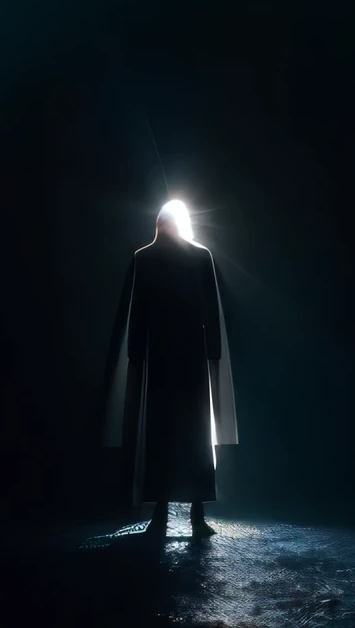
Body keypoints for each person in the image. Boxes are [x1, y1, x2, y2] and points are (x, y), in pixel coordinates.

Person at [103, 198, 238, 555]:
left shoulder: (146, 257)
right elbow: (207, 308)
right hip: (188, 356)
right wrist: (212, 351)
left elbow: (140, 310)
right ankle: (193, 516)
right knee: (190, 434)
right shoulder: (197, 256)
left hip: (164, 356)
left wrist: (136, 352)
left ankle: (163, 516)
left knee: (164, 434)